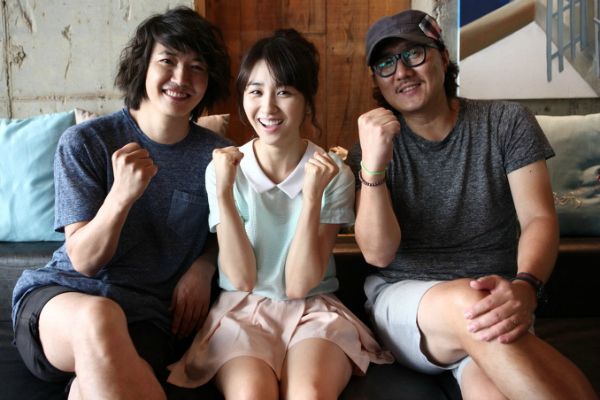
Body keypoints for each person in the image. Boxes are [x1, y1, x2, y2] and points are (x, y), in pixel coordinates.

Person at [350, 9, 598, 400]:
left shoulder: (506, 122)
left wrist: (526, 286)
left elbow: (537, 218)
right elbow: (378, 253)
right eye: (385, 64)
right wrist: (374, 163)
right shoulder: (371, 147)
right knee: (469, 303)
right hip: (407, 304)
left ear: (443, 56)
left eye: (414, 53)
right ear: (377, 80)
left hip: (499, 301)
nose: (401, 72)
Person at [11, 6, 231, 400]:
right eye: (168, 61)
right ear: (142, 66)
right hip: (62, 304)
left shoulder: (219, 157)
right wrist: (121, 196)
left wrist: (204, 265)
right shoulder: (86, 142)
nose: (181, 78)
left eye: (197, 67)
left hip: (146, 319)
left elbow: (233, 230)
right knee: (100, 315)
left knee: (89, 390)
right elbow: (84, 260)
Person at [167, 29, 393, 399]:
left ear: (306, 101)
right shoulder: (223, 169)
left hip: (313, 309)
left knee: (309, 393)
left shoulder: (333, 173)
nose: (268, 107)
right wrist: (223, 191)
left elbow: (300, 285)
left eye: (284, 92)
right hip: (242, 309)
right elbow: (241, 278)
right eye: (256, 91)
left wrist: (312, 196)